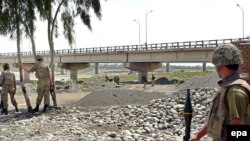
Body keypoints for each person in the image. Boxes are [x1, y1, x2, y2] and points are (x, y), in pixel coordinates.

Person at [189, 43, 250, 141]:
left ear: (221, 67)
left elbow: (237, 127)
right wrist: (198, 136)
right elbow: (216, 119)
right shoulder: (228, 87)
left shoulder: (235, 91)